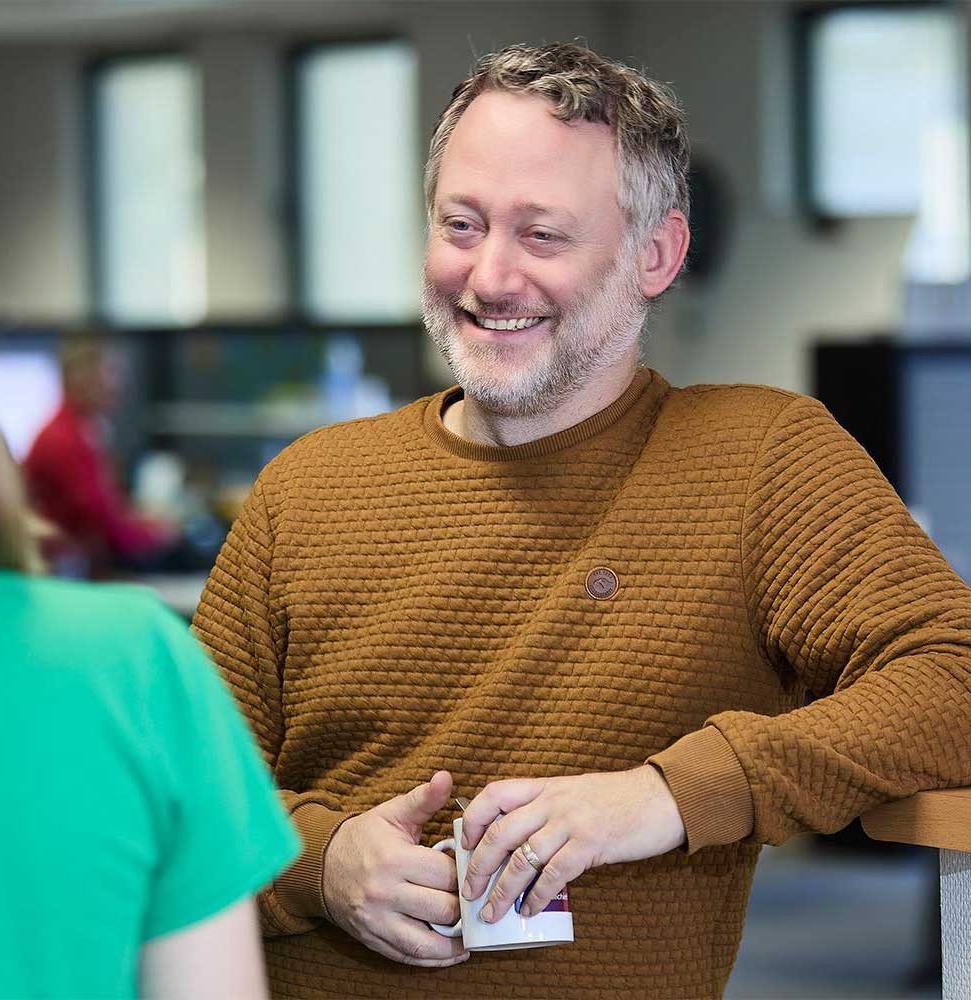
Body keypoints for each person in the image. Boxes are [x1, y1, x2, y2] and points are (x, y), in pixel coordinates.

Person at [192, 43, 971, 999]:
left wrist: (668, 796)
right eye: (462, 224)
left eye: (542, 235)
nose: (490, 276)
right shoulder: (308, 488)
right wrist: (321, 862)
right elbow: (178, 795)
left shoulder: (760, 460)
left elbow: (954, 675)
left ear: (657, 255)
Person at [0, 193, 300, 998]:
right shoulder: (130, 668)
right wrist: (163, 528)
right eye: (108, 371)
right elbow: (106, 527)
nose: (118, 384)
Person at [22, 335, 175, 577]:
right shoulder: (62, 440)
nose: (117, 386)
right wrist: (155, 535)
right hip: (66, 574)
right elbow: (102, 522)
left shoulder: (81, 432)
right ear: (79, 376)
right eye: (109, 373)